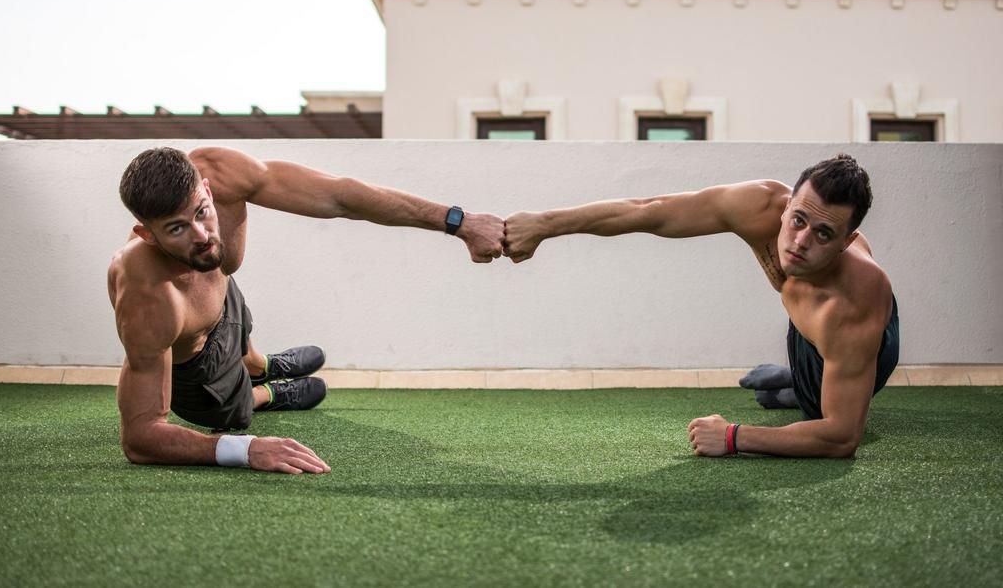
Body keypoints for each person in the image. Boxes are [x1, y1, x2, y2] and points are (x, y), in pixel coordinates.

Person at [108, 146, 505, 474]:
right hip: (197, 368)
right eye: (177, 229)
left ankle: (260, 365)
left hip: (219, 296)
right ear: (148, 235)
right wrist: (246, 451)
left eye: (201, 212)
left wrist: (459, 222)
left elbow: (340, 195)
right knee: (235, 410)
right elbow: (140, 436)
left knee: (232, 307)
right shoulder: (151, 298)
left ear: (207, 188)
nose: (202, 235)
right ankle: (266, 393)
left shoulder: (221, 174)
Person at [503, 154, 898, 458]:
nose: (800, 242)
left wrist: (732, 436)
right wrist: (544, 224)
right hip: (808, 324)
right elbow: (649, 211)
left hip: (857, 339)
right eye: (798, 220)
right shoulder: (758, 204)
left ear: (847, 242)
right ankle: (795, 378)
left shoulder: (851, 306)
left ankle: (803, 384)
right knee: (783, 383)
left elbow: (840, 437)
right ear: (787, 204)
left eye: (824, 234)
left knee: (815, 411)